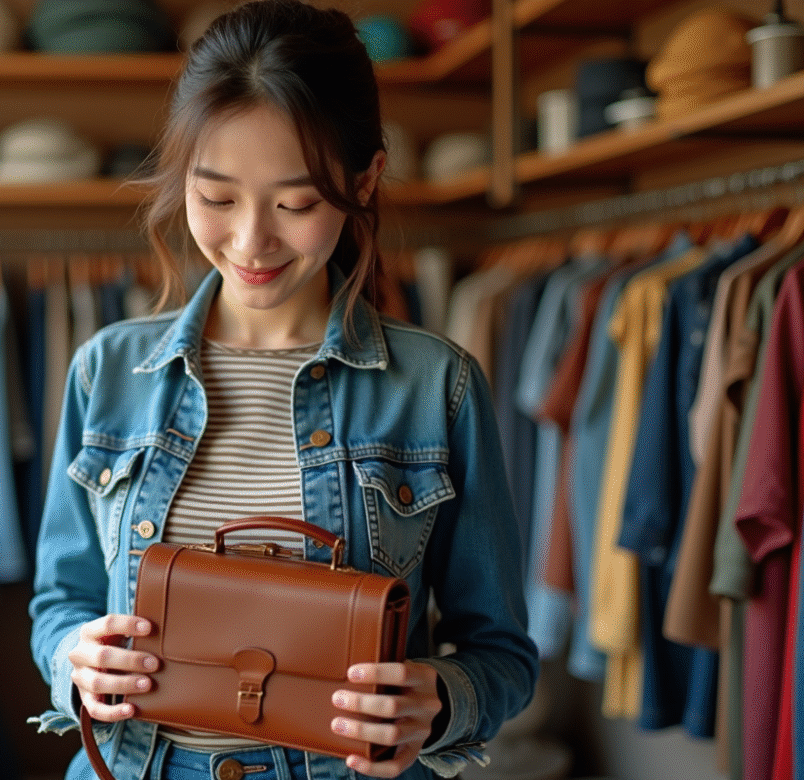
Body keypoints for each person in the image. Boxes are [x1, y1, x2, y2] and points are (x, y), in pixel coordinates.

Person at [29, 2, 539, 779]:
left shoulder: (437, 386)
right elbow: (57, 603)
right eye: (217, 198)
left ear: (364, 179)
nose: (250, 242)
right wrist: (75, 657)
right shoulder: (108, 370)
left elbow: (501, 653)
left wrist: (436, 700)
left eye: (295, 204)